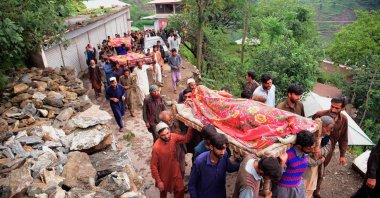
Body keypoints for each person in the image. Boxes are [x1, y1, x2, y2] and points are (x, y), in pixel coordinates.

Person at [312, 97, 348, 198]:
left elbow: (344, 138)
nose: (333, 110)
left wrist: (342, 155)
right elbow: (309, 129)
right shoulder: (320, 115)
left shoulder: (344, 120)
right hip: (314, 147)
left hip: (329, 150)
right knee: (310, 167)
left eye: (337, 108)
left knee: (321, 170)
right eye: (332, 106)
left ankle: (316, 191)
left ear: (343, 108)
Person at [188, 133, 240, 198]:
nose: (223, 152)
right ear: (211, 147)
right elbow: (192, 185)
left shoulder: (224, 155)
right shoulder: (199, 162)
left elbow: (229, 167)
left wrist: (242, 164)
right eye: (220, 149)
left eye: (224, 148)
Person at [150, 122, 194, 198]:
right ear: (159, 135)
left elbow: (186, 139)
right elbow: (153, 166)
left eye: (167, 133)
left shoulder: (173, 137)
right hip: (164, 174)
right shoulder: (156, 147)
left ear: (169, 130)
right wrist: (159, 181)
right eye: (163, 135)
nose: (167, 136)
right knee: (163, 192)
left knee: (180, 190)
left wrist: (190, 128)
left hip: (175, 170)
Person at [271, 130, 315, 198]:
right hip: (284, 191)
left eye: (312, 147)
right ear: (299, 146)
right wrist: (282, 162)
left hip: (298, 187)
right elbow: (275, 175)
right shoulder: (286, 154)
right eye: (309, 148)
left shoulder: (304, 153)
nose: (312, 150)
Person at [303, 115, 334, 198]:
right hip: (303, 171)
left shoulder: (327, 140)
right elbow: (304, 158)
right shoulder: (308, 138)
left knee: (309, 191)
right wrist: (320, 160)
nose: (330, 131)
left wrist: (319, 151)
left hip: (314, 172)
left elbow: (322, 152)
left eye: (331, 129)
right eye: (329, 128)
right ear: (321, 126)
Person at [159, 110, 186, 177]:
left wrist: (179, 133)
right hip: (171, 153)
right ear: (162, 121)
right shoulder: (160, 129)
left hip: (180, 148)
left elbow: (183, 134)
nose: (169, 122)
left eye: (169, 120)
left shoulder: (175, 122)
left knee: (182, 169)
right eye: (166, 121)